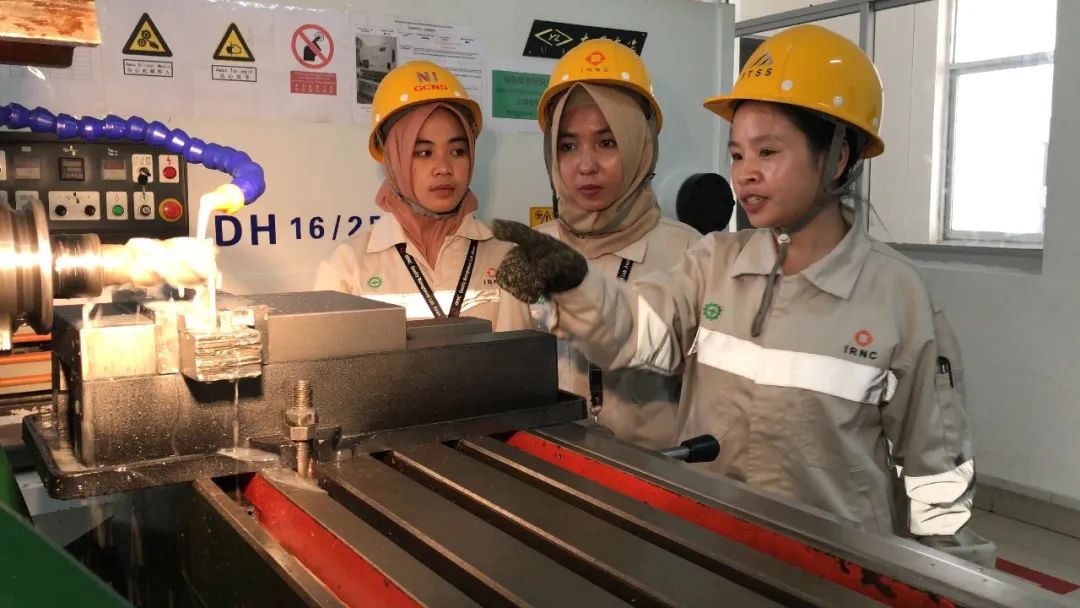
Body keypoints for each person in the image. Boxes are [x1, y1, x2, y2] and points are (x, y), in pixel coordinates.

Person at [492, 25, 994, 565]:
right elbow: (633, 333)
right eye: (736, 154)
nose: (745, 174)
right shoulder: (714, 263)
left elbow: (937, 469)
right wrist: (576, 283)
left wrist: (952, 579)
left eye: (767, 151)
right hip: (711, 550)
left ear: (837, 157)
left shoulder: (896, 296)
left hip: (837, 570)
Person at [531, 39, 700, 449]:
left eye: (607, 142)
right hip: (549, 470)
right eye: (568, 146)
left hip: (659, 476)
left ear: (639, 142)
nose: (586, 165)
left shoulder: (688, 254)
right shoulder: (534, 252)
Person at [314, 61, 527, 330]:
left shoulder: (507, 257)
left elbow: (521, 353)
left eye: (457, 151)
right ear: (393, 158)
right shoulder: (347, 266)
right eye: (424, 152)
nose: (444, 168)